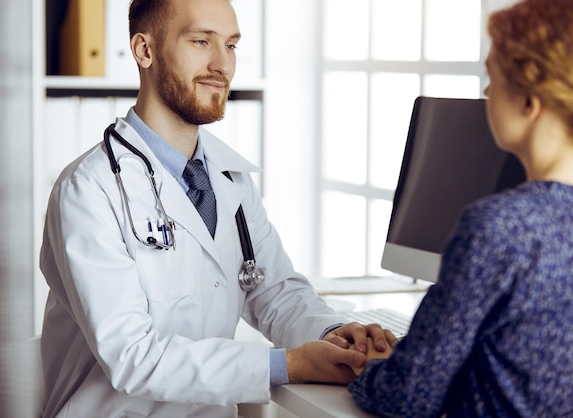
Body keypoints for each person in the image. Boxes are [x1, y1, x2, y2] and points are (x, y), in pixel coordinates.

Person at [39, 0, 395, 417]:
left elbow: (274, 291)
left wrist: (335, 334)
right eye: (201, 41)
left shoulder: (230, 179)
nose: (222, 64)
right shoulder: (88, 188)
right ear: (144, 50)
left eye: (231, 45)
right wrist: (289, 365)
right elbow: (132, 357)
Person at [347, 0, 573, 416]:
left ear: (529, 101)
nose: (486, 91)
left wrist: (375, 368)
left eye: (494, 77)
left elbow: (409, 395)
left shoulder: (499, 228)